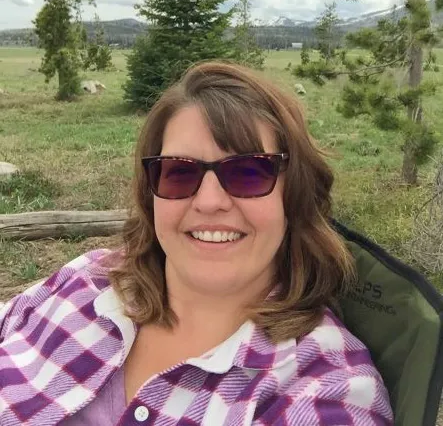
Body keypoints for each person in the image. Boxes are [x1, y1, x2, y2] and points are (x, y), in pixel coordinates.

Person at [0, 61, 393, 425]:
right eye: (178, 173)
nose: (208, 202)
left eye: (249, 173)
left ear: (296, 195)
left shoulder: (325, 390)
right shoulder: (86, 280)